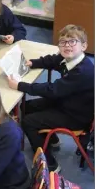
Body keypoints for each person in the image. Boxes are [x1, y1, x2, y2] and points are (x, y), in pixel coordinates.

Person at [7, 24, 94, 172]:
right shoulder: (70, 58)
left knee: (28, 122)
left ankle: (50, 163)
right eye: (63, 43)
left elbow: (53, 90)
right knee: (24, 108)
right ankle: (51, 139)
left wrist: (21, 85)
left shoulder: (82, 72)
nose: (67, 46)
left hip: (75, 115)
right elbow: (53, 60)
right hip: (67, 102)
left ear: (84, 46)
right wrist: (33, 63)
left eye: (72, 41)